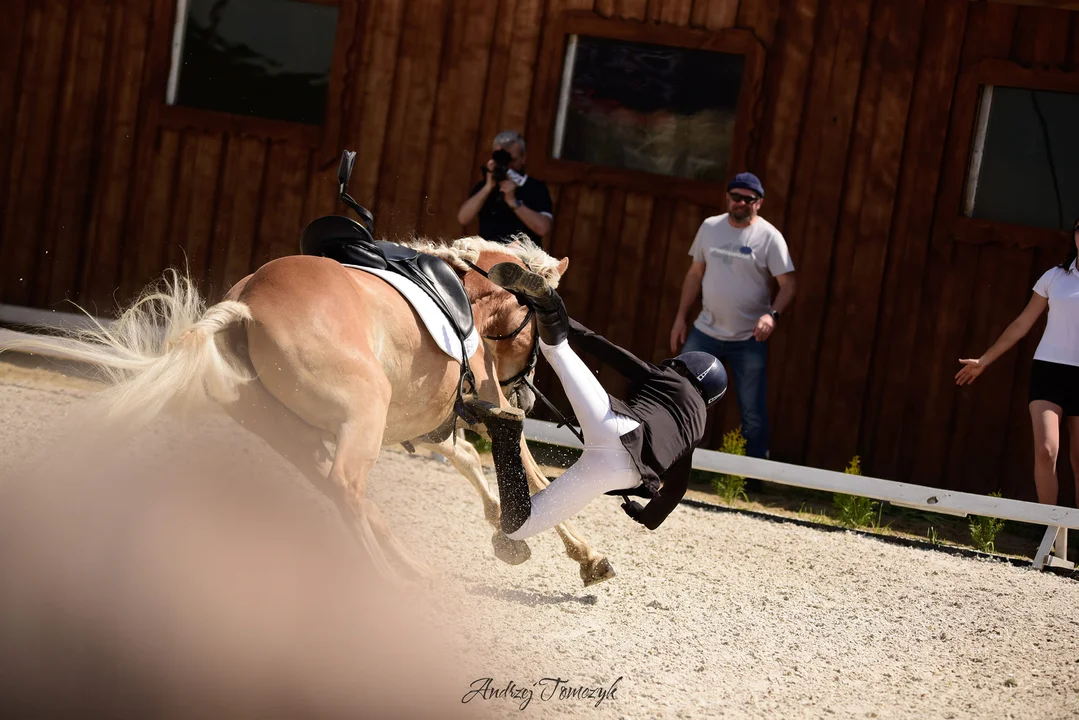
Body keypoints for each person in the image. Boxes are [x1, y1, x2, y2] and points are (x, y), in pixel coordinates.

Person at [470, 262, 727, 540]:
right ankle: (505, 436)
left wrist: (559, 320)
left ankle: (544, 301)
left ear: (683, 367)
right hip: (619, 474)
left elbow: (608, 351)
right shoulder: (697, 428)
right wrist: (646, 515)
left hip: (615, 427)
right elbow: (676, 489)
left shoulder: (672, 379)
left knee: (554, 348)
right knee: (519, 527)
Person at [669, 172, 796, 461]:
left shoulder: (770, 237)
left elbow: (789, 285)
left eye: (747, 199)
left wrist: (772, 316)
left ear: (759, 203)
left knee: (751, 407)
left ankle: (752, 474)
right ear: (727, 198)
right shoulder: (710, 227)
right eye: (735, 197)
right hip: (704, 330)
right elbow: (694, 274)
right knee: (683, 394)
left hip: (748, 337)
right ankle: (672, 457)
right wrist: (680, 318)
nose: (740, 203)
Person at [955, 217, 1079, 505]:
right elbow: (1022, 323)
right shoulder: (1055, 277)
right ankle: (1051, 531)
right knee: (1046, 450)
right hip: (1048, 371)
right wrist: (984, 360)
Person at [456, 130, 553, 248]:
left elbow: (543, 228)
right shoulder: (486, 185)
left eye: (512, 160)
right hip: (489, 257)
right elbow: (463, 218)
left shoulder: (535, 188)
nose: (508, 165)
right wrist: (488, 187)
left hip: (522, 259)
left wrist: (512, 201)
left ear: (523, 158)